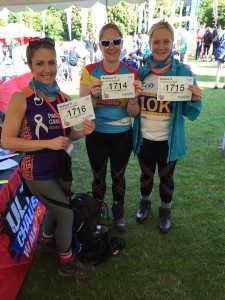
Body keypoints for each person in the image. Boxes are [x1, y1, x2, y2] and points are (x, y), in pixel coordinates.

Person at [1, 37, 95, 278]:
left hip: (61, 167)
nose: (47, 69)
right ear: (31, 66)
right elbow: (7, 141)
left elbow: (67, 136)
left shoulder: (63, 98)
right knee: (66, 212)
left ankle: (48, 238)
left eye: (51, 62)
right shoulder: (20, 98)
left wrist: (81, 132)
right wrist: (48, 144)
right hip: (36, 172)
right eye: (40, 63)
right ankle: (67, 263)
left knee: (58, 205)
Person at [133, 20, 202, 233]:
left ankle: (165, 209)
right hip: (144, 137)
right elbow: (131, 106)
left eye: (166, 41)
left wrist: (194, 98)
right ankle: (145, 202)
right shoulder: (141, 73)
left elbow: (192, 113)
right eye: (156, 41)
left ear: (173, 44)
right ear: (150, 43)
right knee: (145, 175)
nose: (161, 46)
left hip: (169, 141)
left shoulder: (183, 72)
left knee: (166, 178)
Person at [79, 23, 143, 232]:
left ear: (122, 43)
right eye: (106, 42)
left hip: (122, 134)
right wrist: (94, 96)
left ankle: (118, 212)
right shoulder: (89, 71)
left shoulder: (131, 73)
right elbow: (82, 110)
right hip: (96, 134)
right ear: (99, 45)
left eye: (116, 41)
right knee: (98, 176)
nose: (111, 46)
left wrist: (134, 98)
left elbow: (133, 113)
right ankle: (97, 213)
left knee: (118, 176)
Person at [213, 22, 225, 89]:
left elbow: (214, 40)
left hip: (220, 52)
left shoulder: (219, 33)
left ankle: (216, 84)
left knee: (219, 69)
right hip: (222, 51)